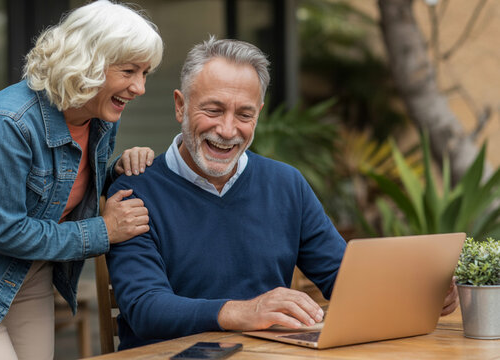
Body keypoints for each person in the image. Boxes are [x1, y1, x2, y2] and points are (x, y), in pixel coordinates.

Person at [106, 37, 460, 350]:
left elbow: (343, 280)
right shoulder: (134, 190)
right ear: (181, 106)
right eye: (213, 110)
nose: (227, 130)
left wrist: (421, 294)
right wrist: (240, 311)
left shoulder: (286, 183)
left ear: (258, 114)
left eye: (244, 114)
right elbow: (145, 308)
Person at [0, 1, 162, 358]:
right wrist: (104, 231)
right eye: (129, 71)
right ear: (87, 64)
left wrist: (117, 167)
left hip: (30, 271)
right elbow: (6, 231)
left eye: (145, 73)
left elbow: (65, 183)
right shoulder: (8, 122)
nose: (140, 88)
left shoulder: (101, 116)